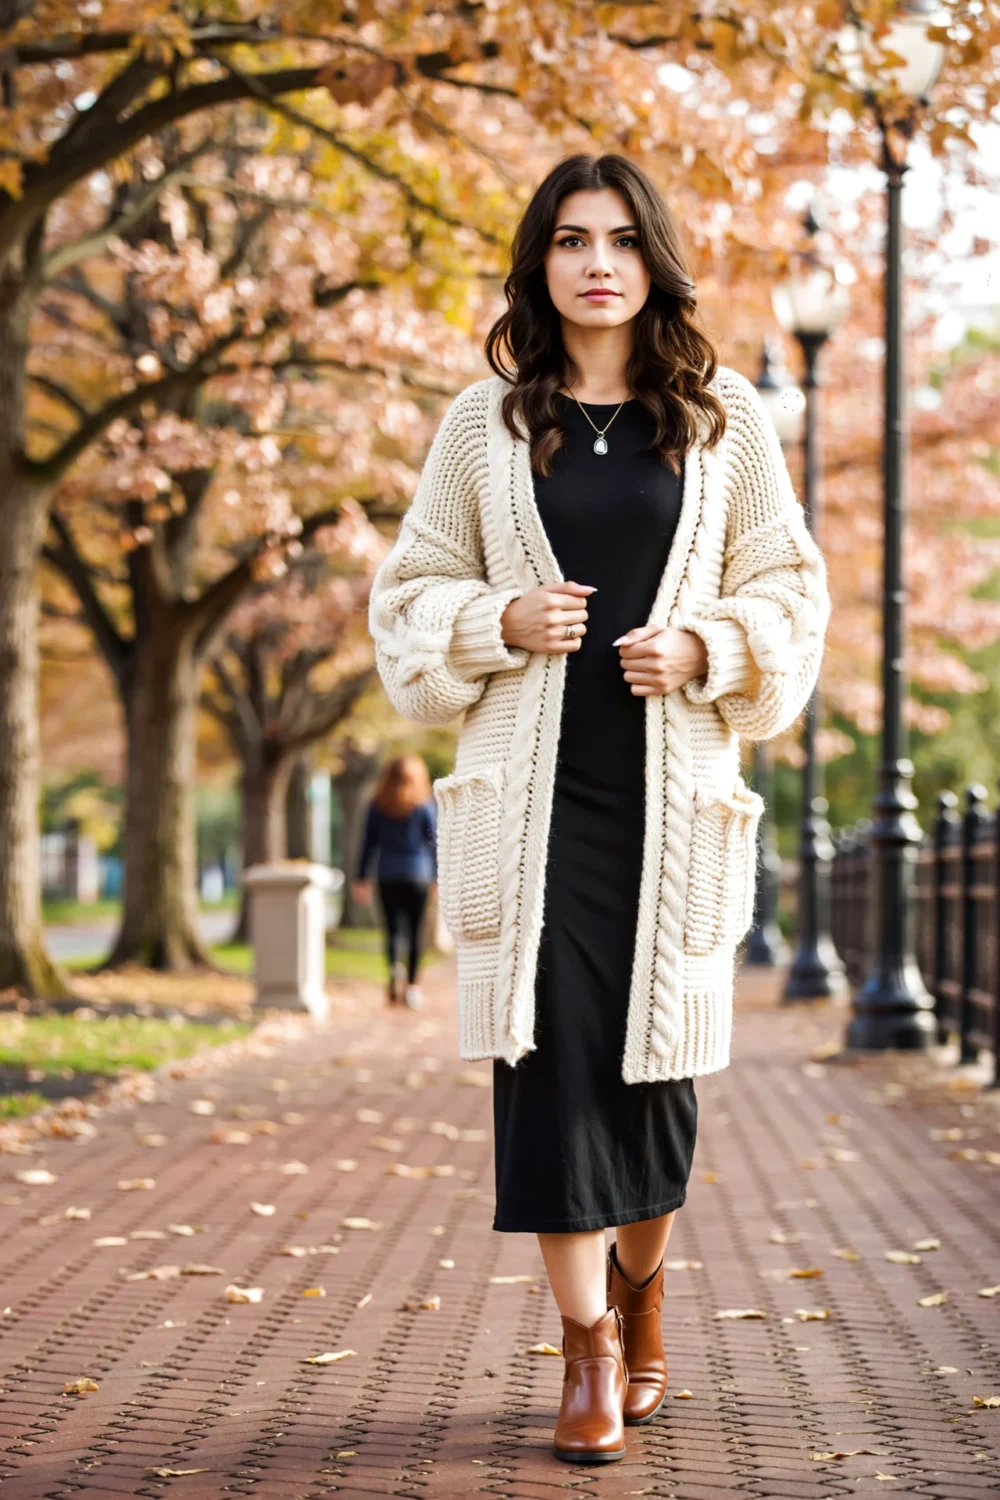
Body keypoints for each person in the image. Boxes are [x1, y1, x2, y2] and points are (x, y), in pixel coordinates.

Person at [369, 154, 830, 1462]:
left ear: (653, 261)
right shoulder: (485, 425)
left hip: (670, 806)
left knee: (654, 1078)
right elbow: (407, 600)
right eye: (572, 240)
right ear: (542, 262)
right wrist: (495, 619)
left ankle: (642, 1295)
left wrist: (706, 647)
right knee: (547, 1071)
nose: (597, 264)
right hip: (535, 809)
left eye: (622, 240)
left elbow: (791, 591)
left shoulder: (725, 420)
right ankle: (584, 1352)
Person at [353, 755, 437, 1009]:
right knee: (415, 931)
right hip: (418, 874)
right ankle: (412, 987)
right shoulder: (423, 805)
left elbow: (368, 844)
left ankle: (394, 968)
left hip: (387, 873)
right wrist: (437, 877)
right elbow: (434, 843)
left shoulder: (377, 805)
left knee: (392, 930)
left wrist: (360, 878)